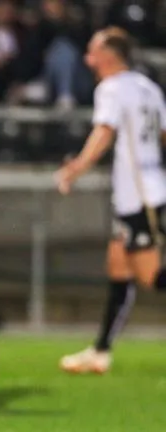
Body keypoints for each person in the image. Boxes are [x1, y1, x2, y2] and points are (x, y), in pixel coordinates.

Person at [56, 27, 166, 374]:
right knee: (117, 266)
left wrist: (76, 167)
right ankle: (101, 351)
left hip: (140, 197)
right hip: (147, 189)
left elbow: (104, 131)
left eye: (92, 50)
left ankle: (101, 350)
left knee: (151, 277)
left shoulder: (112, 88)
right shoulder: (147, 86)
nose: (87, 56)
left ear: (107, 56)